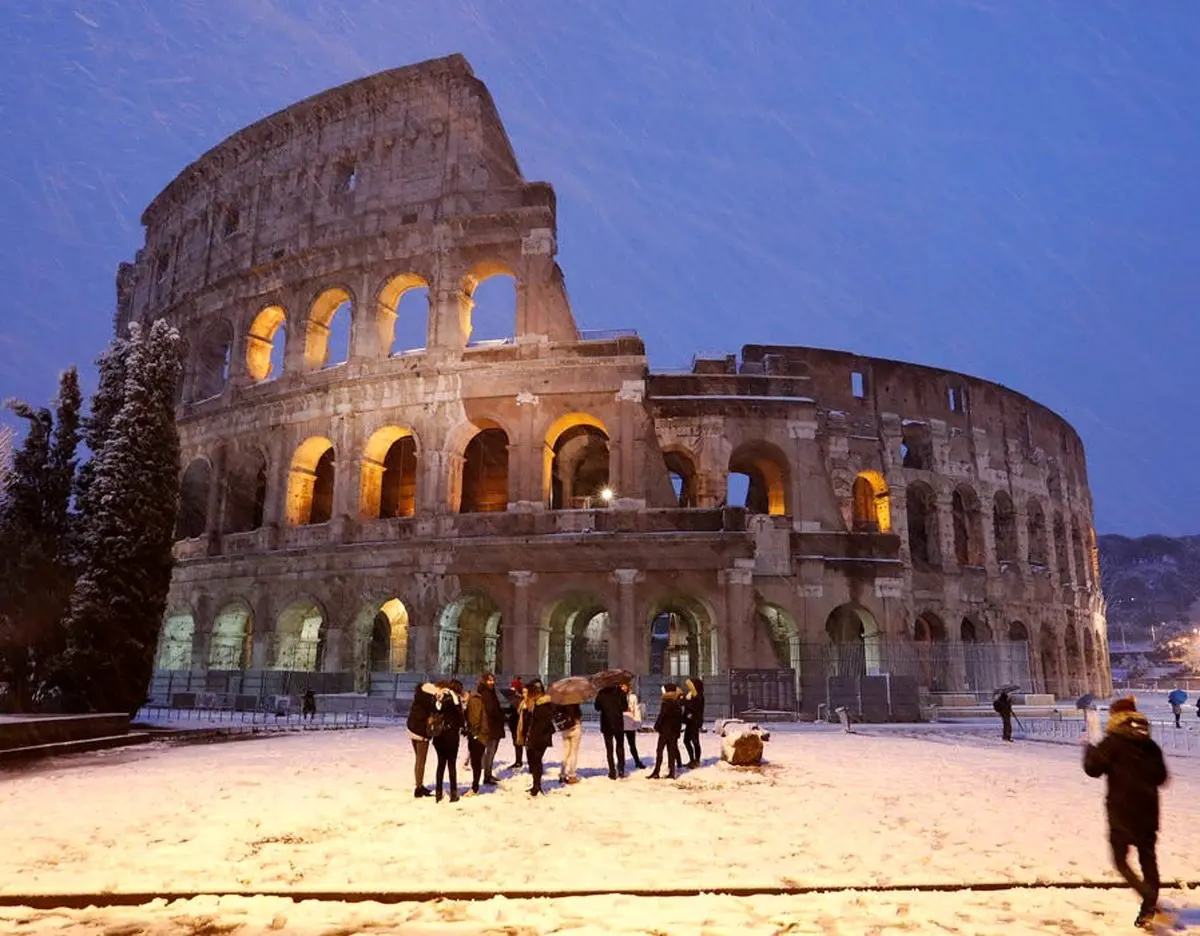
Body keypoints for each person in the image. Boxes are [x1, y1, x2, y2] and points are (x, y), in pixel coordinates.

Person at [1083, 696, 1169, 929]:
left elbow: (1093, 770)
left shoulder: (1111, 743)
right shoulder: (1150, 745)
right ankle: (1149, 905)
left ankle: (1148, 898)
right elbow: (1161, 777)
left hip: (1121, 811)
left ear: (1115, 717)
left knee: (1120, 860)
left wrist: (1089, 748)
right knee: (1148, 859)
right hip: (1148, 810)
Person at [431, 680, 465, 803]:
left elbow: (433, 712)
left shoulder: (438, 698)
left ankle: (438, 793)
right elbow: (461, 719)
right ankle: (453, 793)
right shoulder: (455, 699)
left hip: (439, 736)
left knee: (440, 764)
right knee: (451, 764)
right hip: (451, 735)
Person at [406, 680, 440, 798]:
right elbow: (430, 716)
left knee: (419, 760)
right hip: (420, 734)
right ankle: (419, 788)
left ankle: (419, 785)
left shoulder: (418, 700)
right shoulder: (426, 704)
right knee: (421, 760)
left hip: (412, 730)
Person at [523, 679, 555, 796]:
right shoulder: (534, 703)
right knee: (533, 761)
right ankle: (536, 784)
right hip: (533, 736)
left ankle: (537, 786)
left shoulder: (544, 704)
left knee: (536, 761)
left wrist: (532, 711)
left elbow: (543, 722)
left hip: (540, 738)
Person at [649, 683, 685, 779]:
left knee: (659, 751)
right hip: (673, 732)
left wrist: (656, 726)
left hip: (665, 731)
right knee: (671, 751)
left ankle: (656, 771)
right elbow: (679, 719)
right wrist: (677, 731)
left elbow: (662, 716)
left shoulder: (666, 702)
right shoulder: (677, 703)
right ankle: (672, 772)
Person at [594, 682, 628, 779]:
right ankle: (621, 770)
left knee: (609, 749)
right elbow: (624, 707)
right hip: (618, 724)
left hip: (606, 724)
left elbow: (596, 708)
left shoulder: (601, 693)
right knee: (620, 746)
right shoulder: (620, 693)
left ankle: (612, 771)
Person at [464, 679, 492, 795]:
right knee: (475, 761)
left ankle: (475, 788)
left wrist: (474, 734)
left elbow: (475, 720)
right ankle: (475, 786)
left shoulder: (474, 701)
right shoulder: (473, 700)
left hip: (479, 735)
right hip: (477, 734)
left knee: (476, 762)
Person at [477, 672, 506, 784]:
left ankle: (488, 774)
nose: (492, 682)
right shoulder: (486, 693)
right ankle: (487, 776)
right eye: (489, 680)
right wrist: (500, 715)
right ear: (485, 681)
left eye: (493, 680)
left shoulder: (490, 692)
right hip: (491, 727)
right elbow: (491, 710)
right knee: (490, 751)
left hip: (493, 726)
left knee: (491, 751)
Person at [554, 700, 583, 784]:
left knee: (566, 752)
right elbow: (578, 716)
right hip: (575, 728)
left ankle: (562, 774)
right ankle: (572, 775)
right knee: (574, 752)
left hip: (565, 729)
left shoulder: (560, 703)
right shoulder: (574, 703)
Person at [682, 677, 705, 767]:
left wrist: (685, 701)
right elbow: (688, 706)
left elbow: (694, 706)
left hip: (695, 722)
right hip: (689, 722)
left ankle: (697, 761)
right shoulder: (690, 694)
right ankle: (692, 760)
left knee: (695, 741)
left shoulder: (699, 696)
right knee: (686, 741)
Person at [623, 681, 646, 770]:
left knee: (632, 744)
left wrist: (638, 723)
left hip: (630, 723)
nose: (623, 688)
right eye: (622, 686)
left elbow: (636, 710)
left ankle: (637, 761)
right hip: (620, 723)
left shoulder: (633, 697)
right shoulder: (617, 696)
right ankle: (621, 763)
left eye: (625, 686)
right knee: (620, 745)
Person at [505, 677, 525, 769]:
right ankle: (518, 760)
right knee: (517, 743)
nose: (511, 688)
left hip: (518, 723)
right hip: (514, 723)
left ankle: (518, 761)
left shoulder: (519, 698)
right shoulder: (514, 698)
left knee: (519, 742)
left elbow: (517, 711)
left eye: (513, 686)